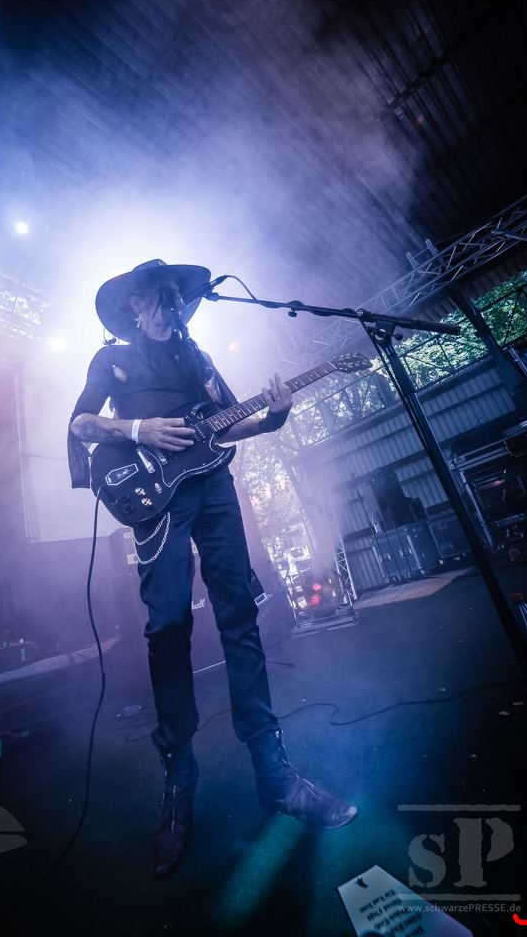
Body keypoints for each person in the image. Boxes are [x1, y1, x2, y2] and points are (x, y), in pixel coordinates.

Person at [68, 259, 357, 879]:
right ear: (133, 306)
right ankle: (178, 782)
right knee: (168, 626)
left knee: (240, 618)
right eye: (157, 295)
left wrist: (274, 414)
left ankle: (276, 776)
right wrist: (138, 428)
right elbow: (81, 423)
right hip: (156, 496)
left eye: (175, 295)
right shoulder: (112, 360)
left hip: (215, 489)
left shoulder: (197, 358)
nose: (169, 303)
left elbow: (233, 419)